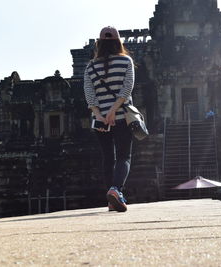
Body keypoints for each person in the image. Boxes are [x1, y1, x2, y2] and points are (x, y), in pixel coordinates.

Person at [83, 26, 134, 212]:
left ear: (99, 44)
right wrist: (113, 110)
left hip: (100, 121)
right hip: (121, 117)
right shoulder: (125, 61)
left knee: (107, 158)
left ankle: (111, 201)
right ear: (118, 42)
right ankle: (116, 190)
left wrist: (99, 114)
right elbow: (127, 89)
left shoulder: (90, 66)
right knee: (123, 157)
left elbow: (89, 94)